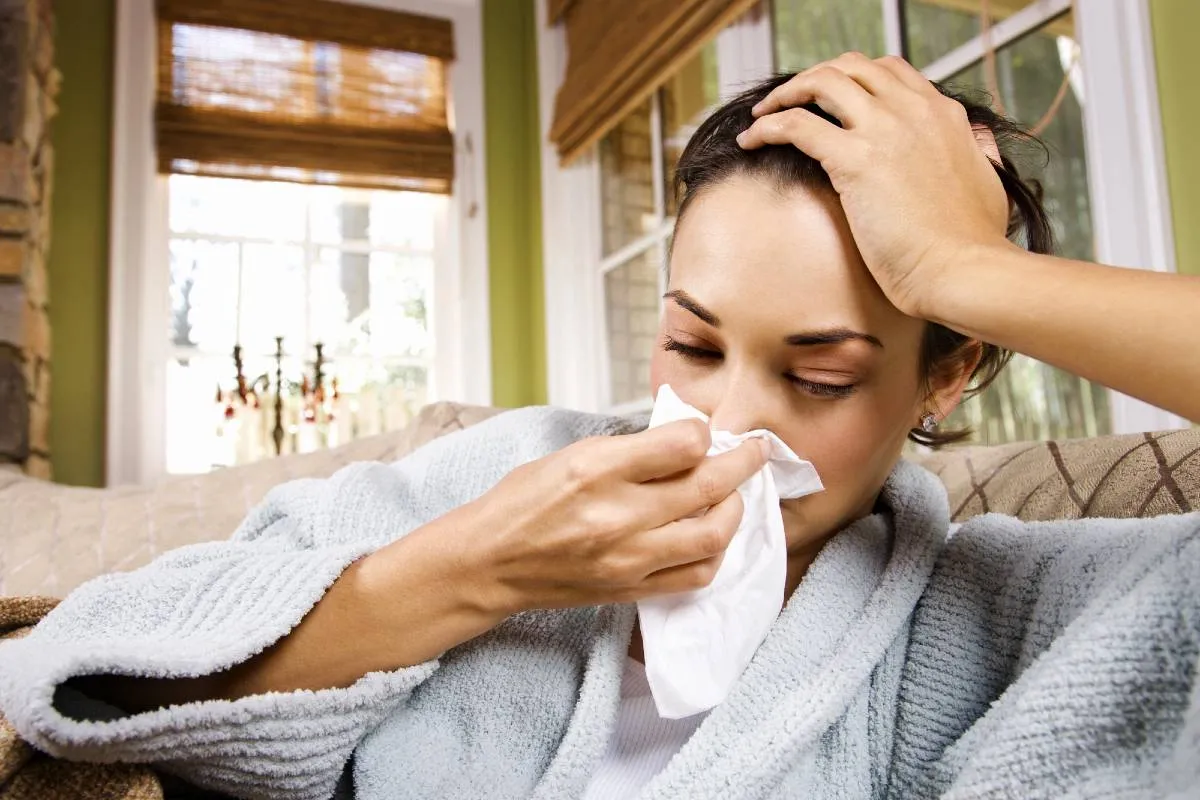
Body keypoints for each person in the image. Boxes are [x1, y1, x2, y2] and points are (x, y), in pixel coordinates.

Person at [1, 54, 1198, 800]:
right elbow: (84, 668)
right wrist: (479, 563)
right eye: (690, 342)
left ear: (948, 373)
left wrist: (960, 266)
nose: (729, 420)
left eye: (820, 375)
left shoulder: (994, 610)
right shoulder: (518, 471)